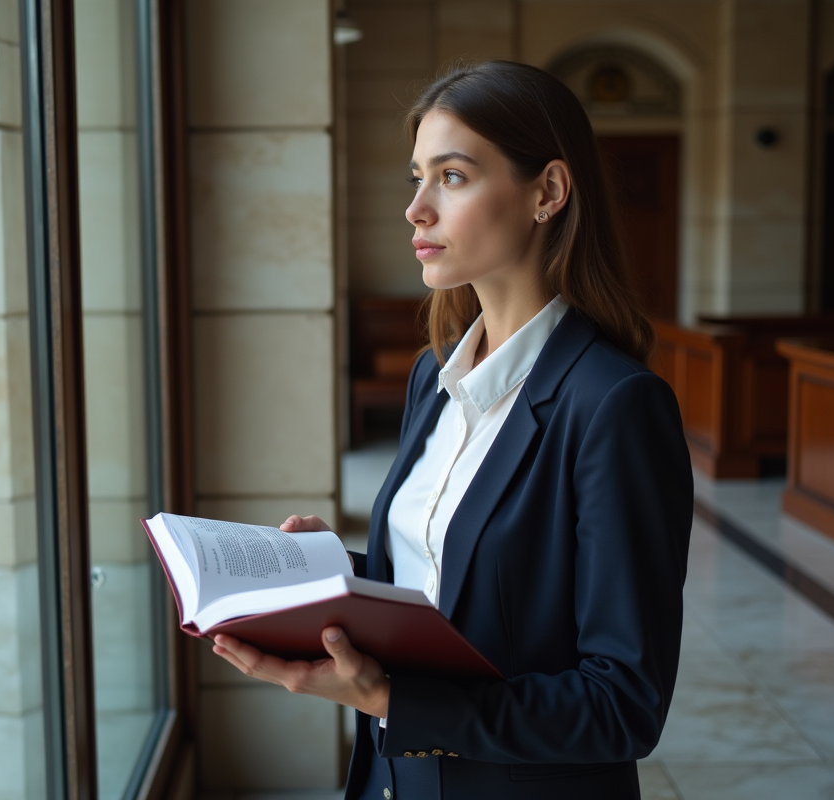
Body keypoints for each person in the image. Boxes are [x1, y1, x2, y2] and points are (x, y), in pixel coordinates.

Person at [210, 60, 693, 800]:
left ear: (548, 193)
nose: (416, 209)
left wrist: (390, 701)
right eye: (416, 177)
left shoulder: (615, 405)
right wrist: (331, 577)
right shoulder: (433, 377)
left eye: (453, 177)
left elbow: (622, 705)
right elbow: (457, 583)